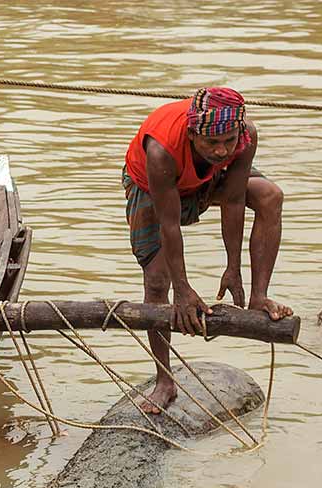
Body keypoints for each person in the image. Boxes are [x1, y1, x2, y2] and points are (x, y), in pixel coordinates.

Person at [123, 85, 292, 413]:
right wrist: (183, 290)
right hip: (153, 186)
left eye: (229, 141)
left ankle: (260, 296)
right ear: (191, 135)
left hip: (208, 180)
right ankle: (164, 380)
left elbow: (233, 199)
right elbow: (168, 225)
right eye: (211, 143)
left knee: (270, 196)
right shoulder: (162, 149)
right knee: (158, 282)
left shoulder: (243, 139)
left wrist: (233, 268)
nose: (221, 150)